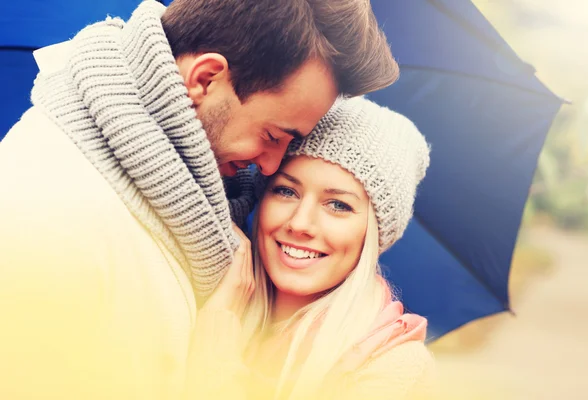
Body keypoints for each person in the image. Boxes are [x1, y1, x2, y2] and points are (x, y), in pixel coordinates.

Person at [0, 1, 398, 398]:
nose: (271, 165)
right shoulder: (46, 217)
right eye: (273, 136)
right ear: (205, 79)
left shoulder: (181, 198)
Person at [187, 96, 434, 399]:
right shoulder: (192, 292)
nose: (300, 223)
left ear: (376, 233)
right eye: (286, 191)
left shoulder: (394, 369)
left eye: (338, 205)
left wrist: (215, 346)